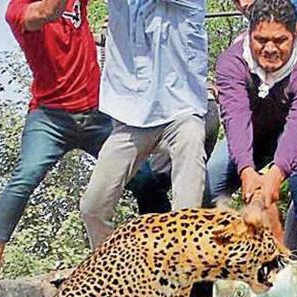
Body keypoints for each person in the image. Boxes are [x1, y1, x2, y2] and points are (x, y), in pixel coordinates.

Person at [0, 0, 168, 280]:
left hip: (97, 114)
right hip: (50, 118)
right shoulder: (18, 9)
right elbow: (46, 12)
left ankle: (164, 245)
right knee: (26, 175)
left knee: (144, 177)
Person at [80, 0, 209, 248]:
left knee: (187, 208)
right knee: (92, 207)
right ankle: (114, 270)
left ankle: (181, 262)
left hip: (180, 112)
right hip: (131, 116)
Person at [209, 0, 297, 257]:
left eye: (279, 41)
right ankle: (215, 232)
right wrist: (245, 170)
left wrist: (275, 176)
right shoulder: (231, 63)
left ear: (294, 36)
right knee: (213, 173)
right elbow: (235, 119)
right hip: (254, 131)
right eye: (261, 39)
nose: (269, 49)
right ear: (250, 34)